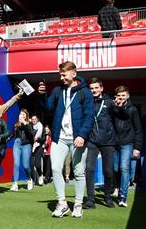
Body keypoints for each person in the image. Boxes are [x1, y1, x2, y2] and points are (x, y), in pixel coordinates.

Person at [38, 61, 94, 218]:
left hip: (77, 138)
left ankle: (78, 204)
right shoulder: (57, 90)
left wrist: (82, 135)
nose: (61, 77)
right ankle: (62, 203)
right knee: (56, 168)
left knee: (78, 172)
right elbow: (48, 108)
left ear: (73, 74)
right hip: (59, 138)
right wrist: (42, 95)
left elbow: (89, 116)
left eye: (64, 74)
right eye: (60, 75)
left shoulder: (85, 93)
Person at [83, 78, 119, 209]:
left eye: (96, 88)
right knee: (89, 169)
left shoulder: (109, 102)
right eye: (91, 88)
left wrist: (120, 106)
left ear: (101, 88)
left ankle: (107, 196)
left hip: (108, 142)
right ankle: (90, 199)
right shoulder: (87, 103)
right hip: (92, 141)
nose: (94, 90)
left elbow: (120, 115)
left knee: (108, 171)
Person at [112, 86, 143, 207]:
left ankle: (123, 196)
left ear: (128, 96)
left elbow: (138, 129)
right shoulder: (112, 109)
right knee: (115, 168)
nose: (121, 98)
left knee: (124, 168)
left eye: (123, 95)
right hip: (114, 143)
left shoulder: (133, 110)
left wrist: (137, 147)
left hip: (127, 143)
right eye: (119, 96)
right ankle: (117, 188)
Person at [10, 109, 35, 191]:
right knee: (16, 164)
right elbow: (12, 134)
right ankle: (15, 184)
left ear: (26, 116)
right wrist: (6, 139)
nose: (22, 115)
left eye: (24, 114)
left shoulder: (29, 124)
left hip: (26, 145)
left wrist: (25, 123)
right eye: (21, 114)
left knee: (25, 165)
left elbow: (31, 134)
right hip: (17, 144)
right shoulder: (16, 124)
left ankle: (29, 179)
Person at [31, 115, 44, 186]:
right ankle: (32, 180)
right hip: (31, 146)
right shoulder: (30, 126)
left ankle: (40, 175)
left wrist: (37, 139)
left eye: (35, 119)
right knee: (31, 164)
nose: (34, 120)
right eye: (32, 119)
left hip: (38, 146)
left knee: (37, 164)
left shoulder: (40, 126)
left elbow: (43, 138)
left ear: (37, 119)